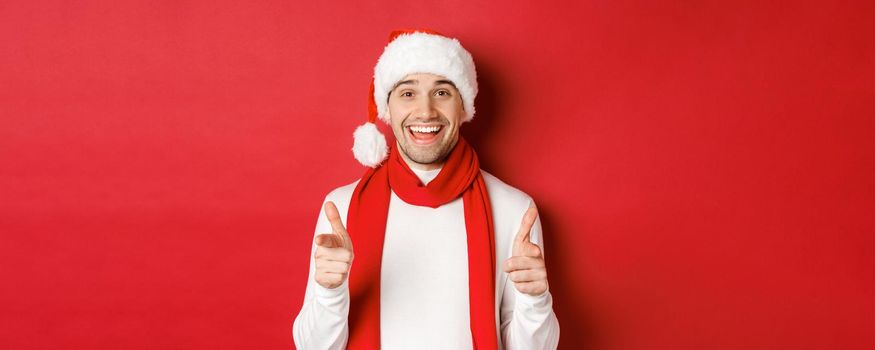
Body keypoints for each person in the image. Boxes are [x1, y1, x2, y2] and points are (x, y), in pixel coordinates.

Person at [292, 28, 560, 350]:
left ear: (464, 108)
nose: (426, 111)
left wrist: (535, 301)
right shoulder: (341, 208)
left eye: (442, 92)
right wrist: (329, 292)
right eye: (408, 93)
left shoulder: (514, 209)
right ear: (386, 111)